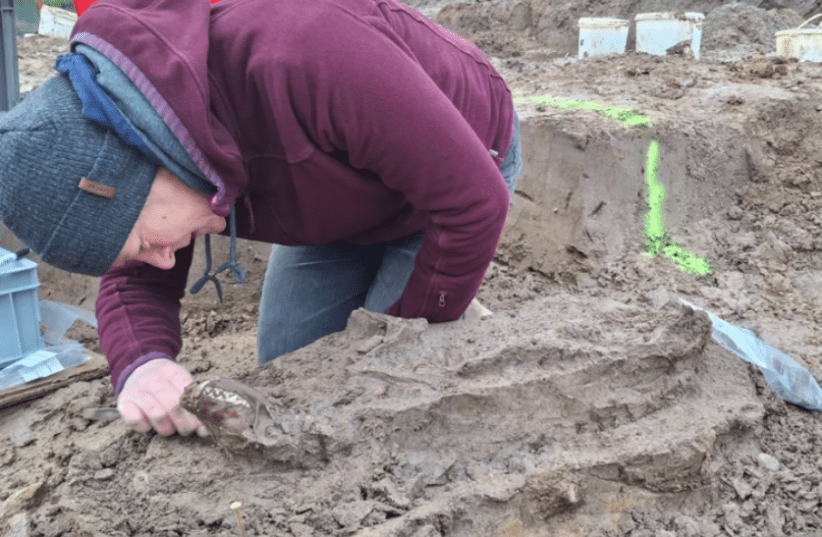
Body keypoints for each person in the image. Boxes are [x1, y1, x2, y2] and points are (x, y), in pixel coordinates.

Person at [0, 0, 522, 437]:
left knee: (386, 382)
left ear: (146, 172)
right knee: (292, 372)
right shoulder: (149, 148)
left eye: (142, 242)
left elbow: (473, 203)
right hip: (333, 202)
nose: (162, 261)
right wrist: (143, 364)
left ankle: (462, 330)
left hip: (458, 169)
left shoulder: (303, 53)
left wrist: (420, 322)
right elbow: (132, 276)